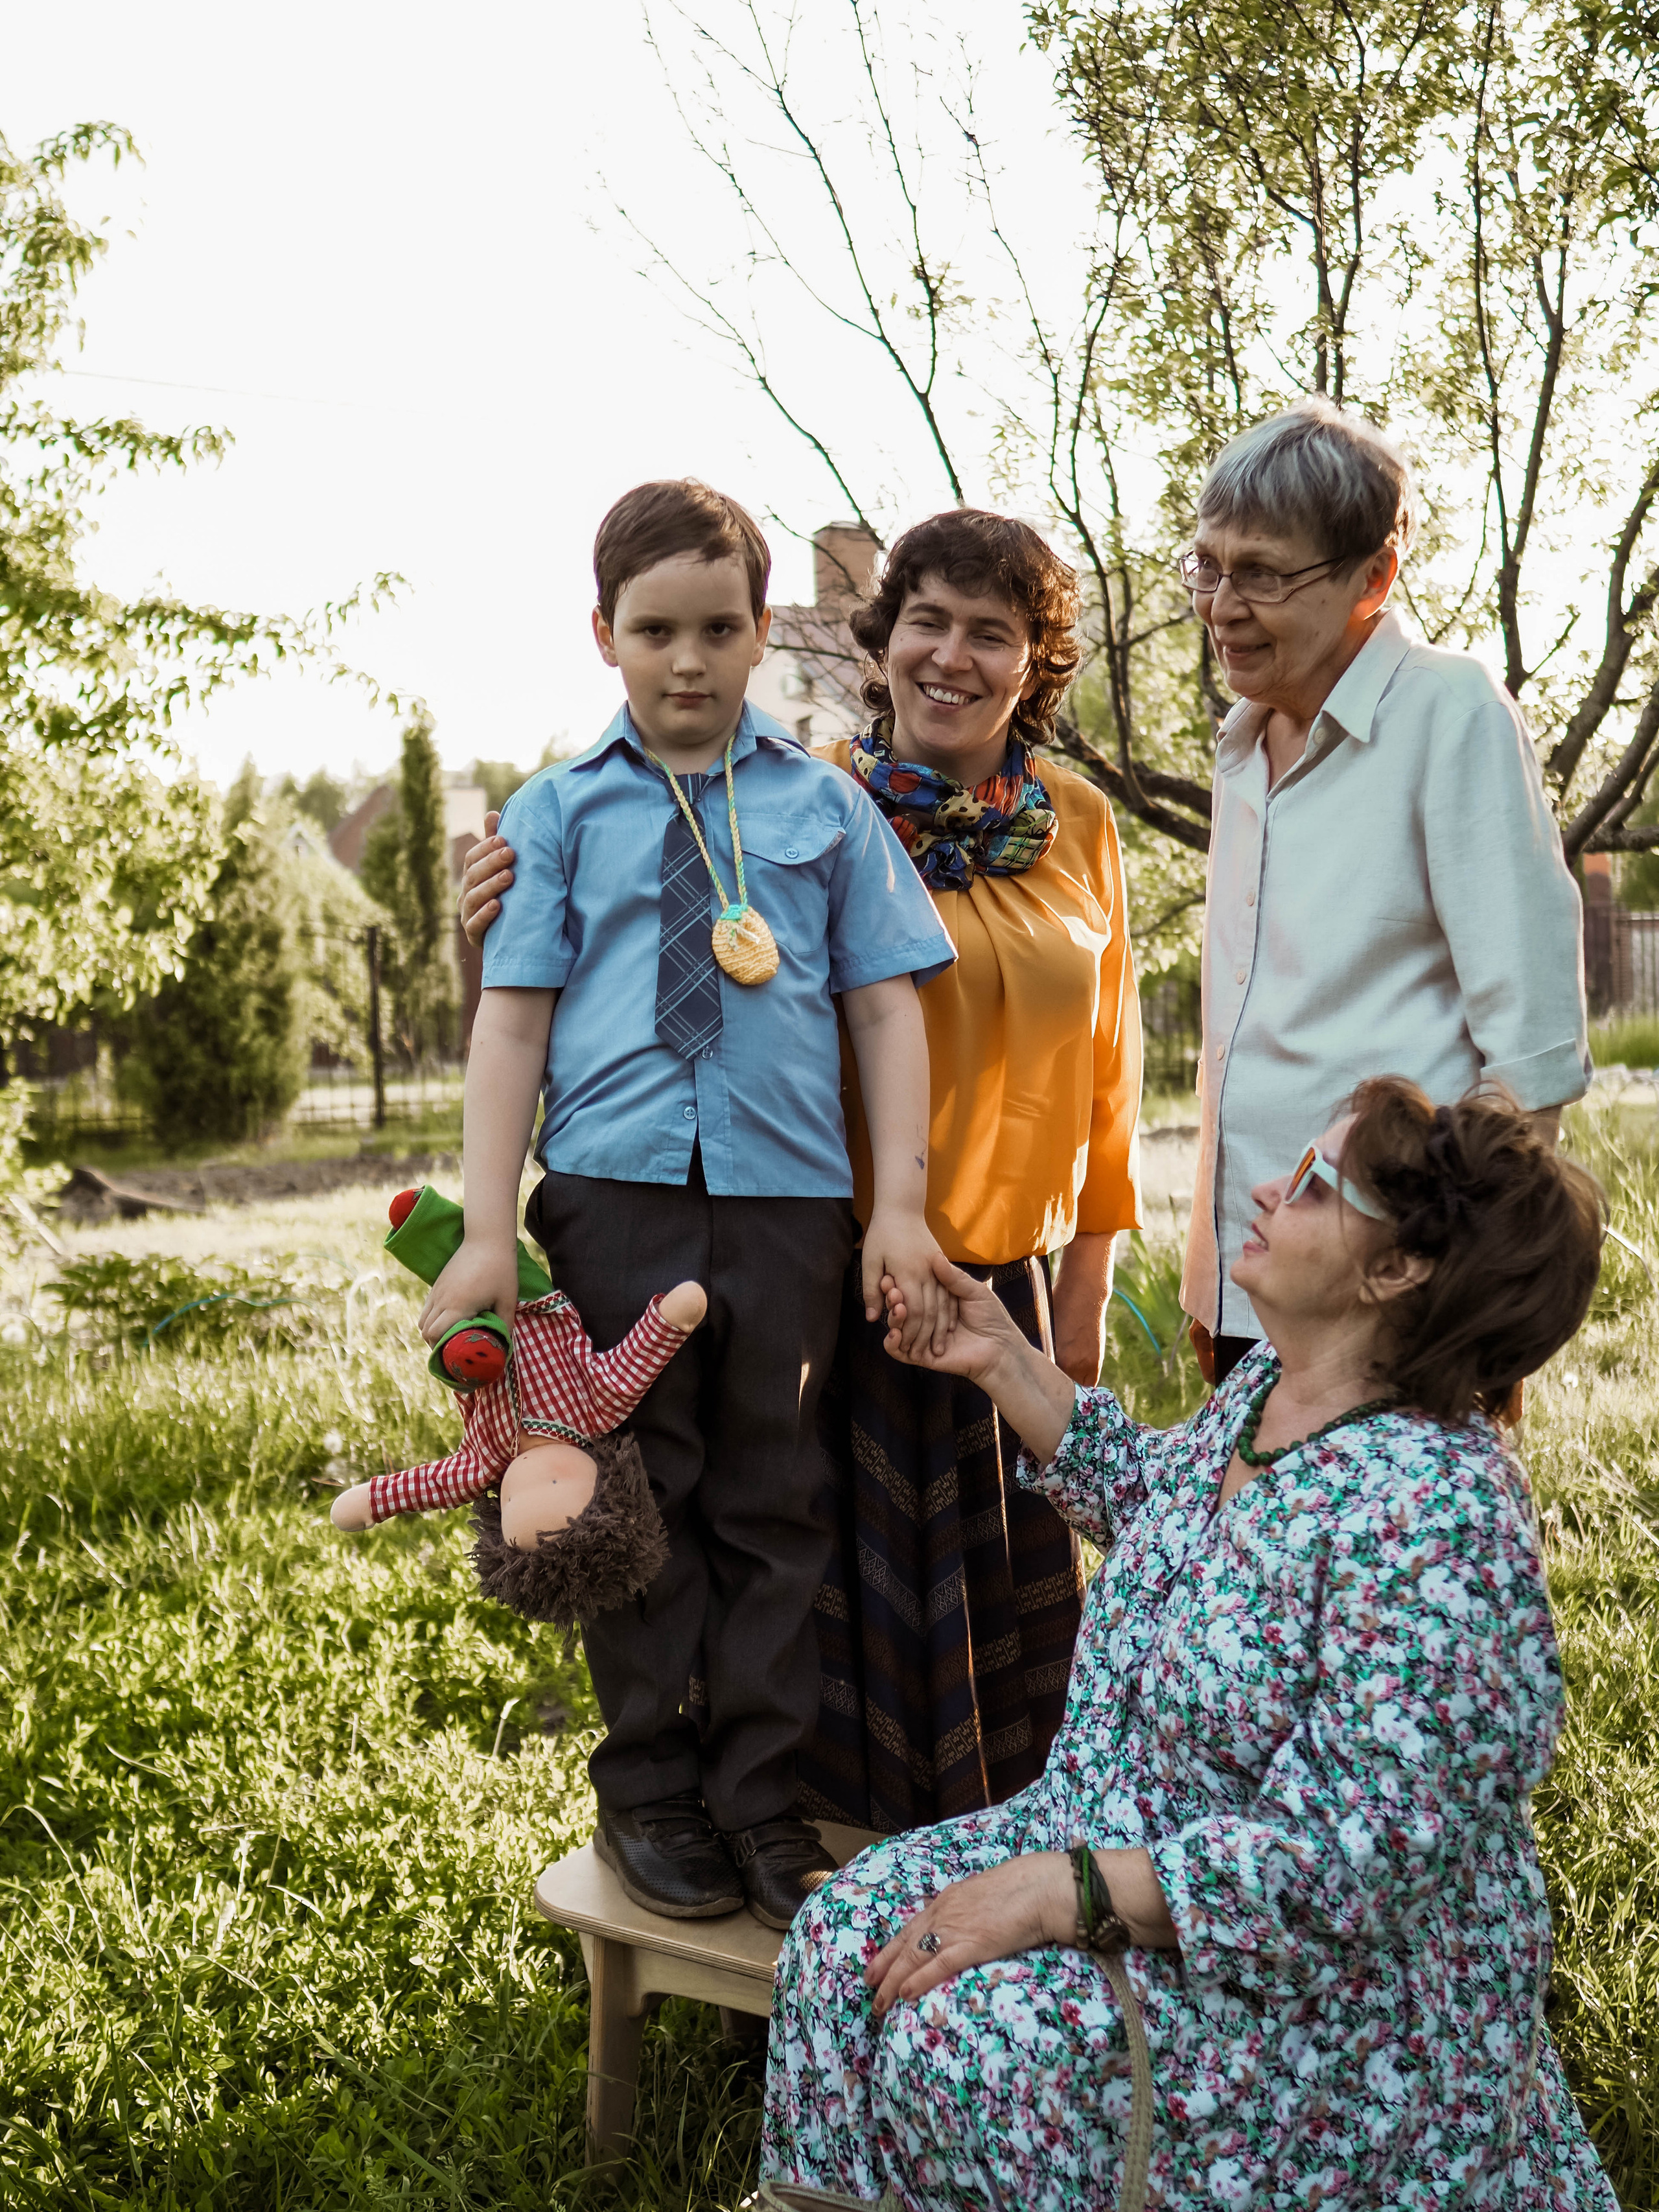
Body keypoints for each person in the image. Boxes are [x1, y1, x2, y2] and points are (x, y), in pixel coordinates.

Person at [762, 1077, 1612, 2212]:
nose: (1267, 1186)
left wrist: (1055, 1893)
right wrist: (1001, 1355)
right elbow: (1166, 1506)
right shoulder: (1274, 1385)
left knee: (962, 2048)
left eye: (1313, 1186)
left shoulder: (1442, 1515)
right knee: (840, 1941)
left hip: (1312, 1989)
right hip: (1105, 1839)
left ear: (1398, 1269)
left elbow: (1341, 1866)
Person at [461, 508, 1143, 1834]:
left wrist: (1081, 1283)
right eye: (926, 624)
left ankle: (833, 1828)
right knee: (672, 1498)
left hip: (938, 1260)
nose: (951, 656)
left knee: (794, 1522)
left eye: (988, 633)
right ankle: (668, 1799)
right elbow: (520, 1010)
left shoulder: (1027, 824)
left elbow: (1101, 1065)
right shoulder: (719, 796)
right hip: (790, 1241)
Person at [428, 478, 956, 1930]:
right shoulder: (553, 815)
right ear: (600, 634)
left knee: (777, 1500)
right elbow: (513, 1026)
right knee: (631, 1501)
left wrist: (894, 1210)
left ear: (757, 630)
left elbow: (885, 1016)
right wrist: (487, 1227)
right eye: (653, 629)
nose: (686, 661)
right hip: (612, 1203)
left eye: (717, 628)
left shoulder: (825, 809)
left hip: (789, 1208)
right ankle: (650, 1783)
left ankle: (761, 1799)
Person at [1179, 396, 1588, 1385]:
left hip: (1392, 1307)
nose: (1222, 606)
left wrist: (1451, 1307)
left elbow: (1530, 1061)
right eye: (1208, 565)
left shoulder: (1449, 713)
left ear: (1376, 576)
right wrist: (1214, 1282)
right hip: (1254, 1277)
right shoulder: (1243, 744)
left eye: (1263, 573)